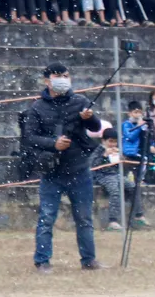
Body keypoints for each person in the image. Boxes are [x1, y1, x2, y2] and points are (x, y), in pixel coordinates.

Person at [20, 62, 103, 272]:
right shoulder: (37, 107)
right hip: (52, 172)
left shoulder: (81, 101)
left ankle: (89, 259)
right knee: (47, 217)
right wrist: (53, 144)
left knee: (84, 217)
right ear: (47, 80)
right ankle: (42, 260)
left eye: (66, 75)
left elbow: (96, 127)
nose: (63, 79)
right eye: (58, 76)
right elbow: (29, 137)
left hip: (79, 169)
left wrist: (90, 117)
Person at [89, 128, 133, 231]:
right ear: (103, 141)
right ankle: (112, 221)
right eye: (110, 141)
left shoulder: (117, 150)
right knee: (115, 191)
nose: (113, 144)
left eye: (115, 141)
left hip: (116, 175)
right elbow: (93, 165)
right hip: (102, 176)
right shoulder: (99, 150)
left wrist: (122, 159)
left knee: (132, 186)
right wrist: (105, 155)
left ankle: (137, 215)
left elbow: (123, 167)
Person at [119, 102, 149, 226]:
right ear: (129, 113)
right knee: (125, 183)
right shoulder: (126, 125)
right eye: (135, 112)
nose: (137, 115)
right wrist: (139, 127)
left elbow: (147, 138)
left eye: (139, 112)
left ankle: (138, 215)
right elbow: (130, 137)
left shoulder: (143, 125)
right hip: (128, 156)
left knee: (136, 186)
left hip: (139, 156)